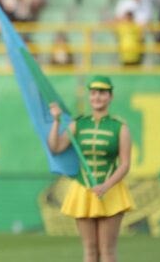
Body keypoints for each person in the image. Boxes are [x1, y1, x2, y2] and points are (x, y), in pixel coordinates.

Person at [48, 76, 134, 262]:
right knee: (89, 250)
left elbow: (125, 164)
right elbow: (55, 148)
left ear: (110, 97)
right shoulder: (78, 124)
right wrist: (56, 121)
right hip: (83, 190)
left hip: (111, 191)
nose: (97, 97)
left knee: (107, 250)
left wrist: (107, 185)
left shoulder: (120, 127)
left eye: (102, 93)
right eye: (93, 93)